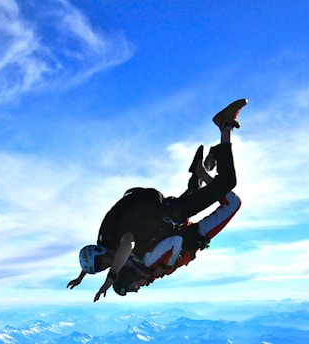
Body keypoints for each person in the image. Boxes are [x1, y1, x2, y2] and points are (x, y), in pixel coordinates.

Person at [67, 99, 247, 302]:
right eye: (100, 269)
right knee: (196, 193)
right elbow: (94, 255)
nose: (104, 267)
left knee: (227, 182)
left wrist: (110, 279)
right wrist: (82, 275)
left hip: (170, 214)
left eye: (100, 265)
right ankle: (202, 168)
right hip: (166, 212)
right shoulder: (104, 243)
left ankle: (225, 126)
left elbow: (128, 244)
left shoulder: (115, 240)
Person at [111, 161, 241, 295]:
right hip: (188, 232)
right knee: (196, 197)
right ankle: (202, 171)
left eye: (132, 287)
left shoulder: (148, 264)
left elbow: (176, 241)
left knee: (233, 203)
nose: (137, 289)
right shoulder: (143, 265)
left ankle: (202, 172)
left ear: (130, 278)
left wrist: (165, 266)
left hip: (195, 235)